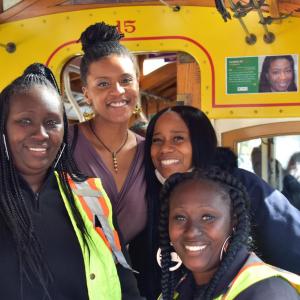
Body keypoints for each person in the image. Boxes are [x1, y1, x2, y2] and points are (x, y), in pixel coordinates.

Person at [0, 63, 142, 299]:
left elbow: (124, 283)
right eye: (25, 121)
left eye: (52, 122)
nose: (41, 134)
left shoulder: (90, 195)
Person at [130, 105, 300, 299]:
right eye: (157, 140)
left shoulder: (240, 186)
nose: (165, 148)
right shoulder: (149, 194)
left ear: (200, 142)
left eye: (178, 138)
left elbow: (293, 243)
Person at [159, 168, 300, 299]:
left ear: (234, 221)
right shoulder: (178, 289)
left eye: (207, 217)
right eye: (180, 218)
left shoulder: (269, 293)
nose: (191, 232)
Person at [69, 22, 146, 244]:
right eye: (103, 84)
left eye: (126, 80)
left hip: (130, 276)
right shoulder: (64, 143)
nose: (118, 91)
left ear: (137, 84)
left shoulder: (148, 151)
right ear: (86, 94)